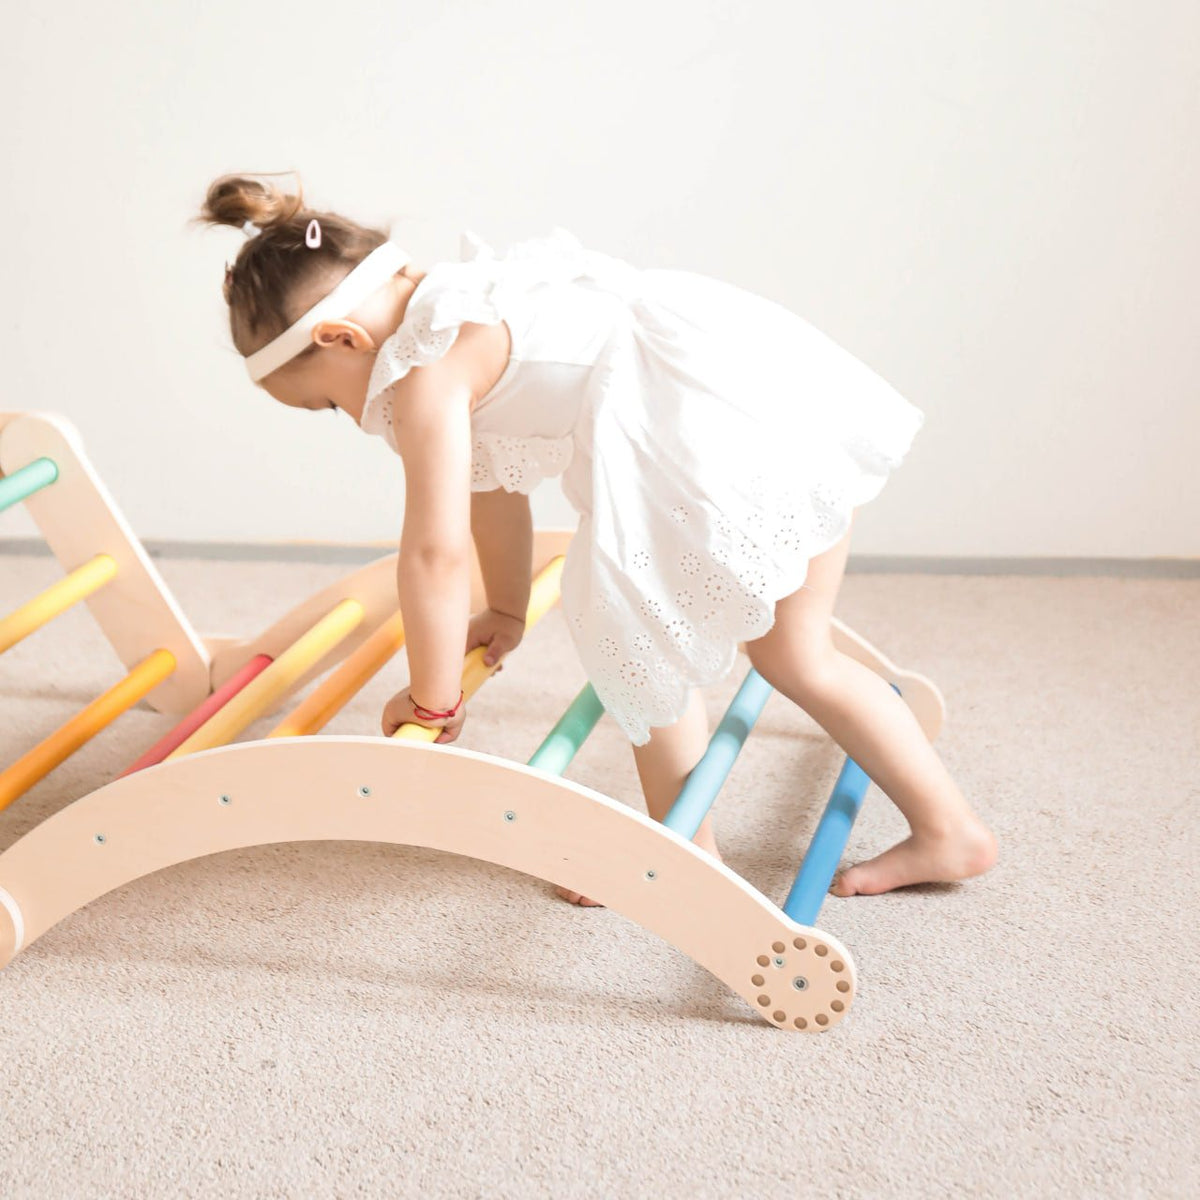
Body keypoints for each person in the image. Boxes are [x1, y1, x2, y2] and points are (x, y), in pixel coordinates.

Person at [196, 171, 997, 904]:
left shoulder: (423, 374)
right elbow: (493, 493)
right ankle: (951, 830)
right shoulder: (470, 292)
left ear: (341, 340)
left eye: (326, 406)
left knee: (631, 632)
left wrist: (434, 699)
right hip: (774, 410)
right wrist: (507, 609)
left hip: (708, 450)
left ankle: (684, 859)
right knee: (800, 655)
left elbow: (435, 553)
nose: (348, 417)